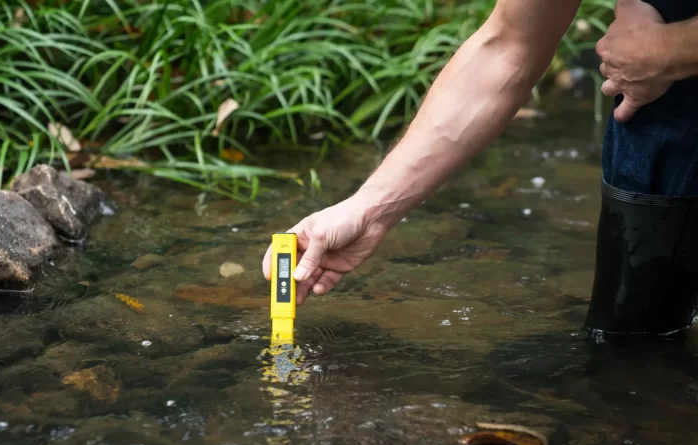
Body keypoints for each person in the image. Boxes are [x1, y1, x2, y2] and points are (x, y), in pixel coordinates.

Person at [262, 0, 698, 335]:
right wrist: (369, 209)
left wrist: (666, 50)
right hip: (660, 110)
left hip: (658, 66)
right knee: (631, 344)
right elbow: (510, 45)